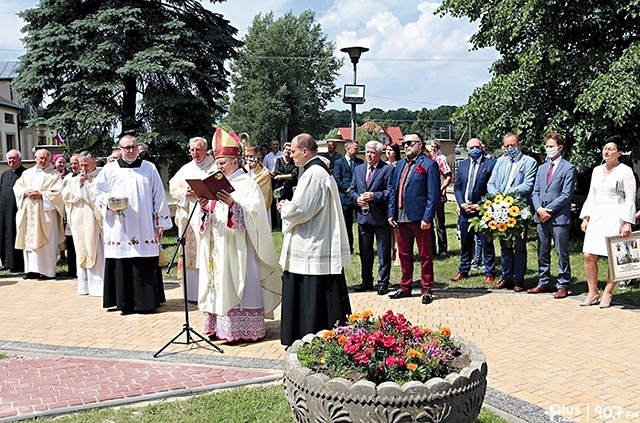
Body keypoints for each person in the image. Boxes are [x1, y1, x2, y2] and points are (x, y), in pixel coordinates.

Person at [197, 128, 281, 342]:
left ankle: (240, 330)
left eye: (223, 162)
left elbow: (256, 216)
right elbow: (210, 216)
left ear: (235, 160)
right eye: (217, 162)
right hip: (217, 244)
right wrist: (205, 208)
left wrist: (233, 204)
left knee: (238, 283)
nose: (219, 166)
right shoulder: (214, 182)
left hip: (239, 246)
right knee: (217, 282)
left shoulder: (247, 184)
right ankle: (218, 327)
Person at [278, 133, 352, 346]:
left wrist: (285, 208)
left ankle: (309, 333)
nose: (290, 156)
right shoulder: (316, 171)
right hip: (315, 236)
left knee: (312, 289)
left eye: (293, 152)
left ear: (305, 151)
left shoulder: (313, 174)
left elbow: (302, 209)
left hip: (312, 241)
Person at [93, 135, 173, 315]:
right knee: (121, 261)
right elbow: (96, 193)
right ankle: (123, 303)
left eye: (133, 147)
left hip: (144, 224)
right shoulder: (109, 169)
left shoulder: (149, 168)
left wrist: (160, 222)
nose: (130, 150)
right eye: (126, 147)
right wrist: (108, 200)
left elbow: (159, 196)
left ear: (138, 148)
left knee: (143, 262)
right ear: (119, 149)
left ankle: (146, 302)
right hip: (119, 224)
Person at [579, 139, 636, 308]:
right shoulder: (596, 171)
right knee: (588, 254)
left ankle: (608, 292)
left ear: (619, 153)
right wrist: (586, 217)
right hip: (597, 215)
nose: (607, 151)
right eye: (605, 148)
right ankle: (592, 292)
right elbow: (592, 195)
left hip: (615, 216)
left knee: (613, 256)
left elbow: (630, 199)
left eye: (611, 149)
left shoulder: (625, 171)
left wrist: (626, 222)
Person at [387, 133, 441, 305]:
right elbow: (393, 190)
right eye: (404, 143)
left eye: (410, 143)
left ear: (420, 144)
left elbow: (433, 194)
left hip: (419, 218)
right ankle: (405, 286)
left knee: (425, 255)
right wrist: (391, 212)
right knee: (404, 254)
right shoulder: (400, 165)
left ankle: (426, 289)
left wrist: (427, 217)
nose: (406, 146)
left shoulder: (429, 164)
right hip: (401, 217)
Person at [487, 133, 538, 292]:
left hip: (518, 208)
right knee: (504, 245)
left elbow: (527, 185)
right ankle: (506, 277)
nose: (510, 149)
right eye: (507, 146)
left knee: (519, 246)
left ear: (519, 144)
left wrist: (508, 194)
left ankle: (518, 279)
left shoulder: (529, 162)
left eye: (512, 145)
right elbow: (491, 182)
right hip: (500, 207)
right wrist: (496, 196)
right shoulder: (500, 162)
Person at [528, 133, 576, 299]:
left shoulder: (568, 168)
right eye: (547, 146)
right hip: (540, 216)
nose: (548, 149)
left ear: (560, 147)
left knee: (561, 251)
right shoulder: (541, 168)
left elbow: (566, 194)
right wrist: (539, 209)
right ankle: (543, 281)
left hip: (558, 217)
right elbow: (535, 191)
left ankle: (563, 284)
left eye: (551, 146)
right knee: (542, 250)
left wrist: (548, 210)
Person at [168, 137, 216, 302]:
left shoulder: (214, 167)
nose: (195, 153)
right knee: (190, 253)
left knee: (206, 250)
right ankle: (192, 293)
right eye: (192, 150)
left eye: (198, 149)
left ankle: (208, 291)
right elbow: (173, 187)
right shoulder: (186, 169)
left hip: (208, 216)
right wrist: (185, 193)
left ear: (205, 149)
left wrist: (202, 192)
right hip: (189, 216)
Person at [349, 141, 394, 295]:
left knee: (383, 252)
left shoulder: (387, 169)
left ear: (379, 154)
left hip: (380, 218)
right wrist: (356, 199)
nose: (369, 155)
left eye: (372, 152)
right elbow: (352, 189)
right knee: (365, 252)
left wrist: (375, 196)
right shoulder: (359, 169)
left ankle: (383, 282)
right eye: (367, 152)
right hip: (363, 218)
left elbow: (390, 192)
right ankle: (366, 281)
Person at [450, 138, 497, 284]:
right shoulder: (462, 165)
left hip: (481, 211)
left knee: (485, 242)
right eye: (471, 147)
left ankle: (489, 272)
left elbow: (492, 188)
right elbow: (457, 187)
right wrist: (462, 203)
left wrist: (480, 204)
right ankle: (463, 270)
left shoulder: (490, 165)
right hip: (465, 211)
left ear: (482, 147)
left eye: (476, 147)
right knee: (465, 242)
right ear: (467, 149)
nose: (474, 150)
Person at [13, 149, 65, 280]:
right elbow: (17, 187)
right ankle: (31, 270)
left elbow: (58, 194)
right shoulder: (27, 173)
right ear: (35, 158)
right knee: (29, 241)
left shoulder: (54, 175)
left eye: (46, 159)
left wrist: (42, 195)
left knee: (46, 244)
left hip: (45, 214)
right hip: (29, 212)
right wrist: (25, 192)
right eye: (40, 158)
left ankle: (47, 271)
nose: (43, 161)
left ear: (49, 160)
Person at [62, 151, 104, 296]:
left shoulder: (102, 176)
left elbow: (100, 196)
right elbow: (66, 197)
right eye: (81, 165)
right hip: (80, 221)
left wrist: (87, 186)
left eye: (86, 164)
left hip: (97, 222)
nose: (83, 168)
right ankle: (85, 286)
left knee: (99, 251)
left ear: (94, 163)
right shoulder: (75, 179)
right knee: (82, 248)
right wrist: (79, 185)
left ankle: (100, 286)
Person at [333, 140, 364, 253]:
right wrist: (348, 190)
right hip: (345, 198)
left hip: (358, 198)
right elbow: (337, 179)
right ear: (347, 148)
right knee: (346, 224)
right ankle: (348, 248)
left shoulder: (360, 162)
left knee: (362, 224)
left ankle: (363, 247)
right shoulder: (339, 163)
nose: (357, 151)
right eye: (355, 148)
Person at [0, 149, 26, 273]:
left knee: (14, 235)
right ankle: (5, 262)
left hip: (17, 211)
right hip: (3, 211)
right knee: (3, 234)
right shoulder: (4, 174)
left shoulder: (25, 173)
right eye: (9, 159)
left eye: (14, 158)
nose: (11, 161)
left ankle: (16, 264)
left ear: (20, 159)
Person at [428, 140, 452, 259]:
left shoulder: (440, 159)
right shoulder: (426, 159)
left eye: (435, 146)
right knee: (428, 224)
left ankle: (443, 250)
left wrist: (440, 189)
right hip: (427, 197)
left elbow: (448, 176)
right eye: (431, 146)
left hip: (438, 198)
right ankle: (431, 249)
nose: (433, 148)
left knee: (439, 224)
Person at [61, 152, 80, 277]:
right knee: (71, 242)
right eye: (72, 163)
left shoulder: (87, 176)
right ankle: (72, 269)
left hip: (82, 213)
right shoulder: (67, 178)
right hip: (70, 213)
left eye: (76, 163)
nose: (73, 166)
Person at [244, 144, 273, 213]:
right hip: (245, 208)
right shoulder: (242, 171)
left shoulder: (265, 173)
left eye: (251, 156)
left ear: (258, 155)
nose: (248, 159)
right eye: (246, 156)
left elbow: (265, 195)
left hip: (260, 209)